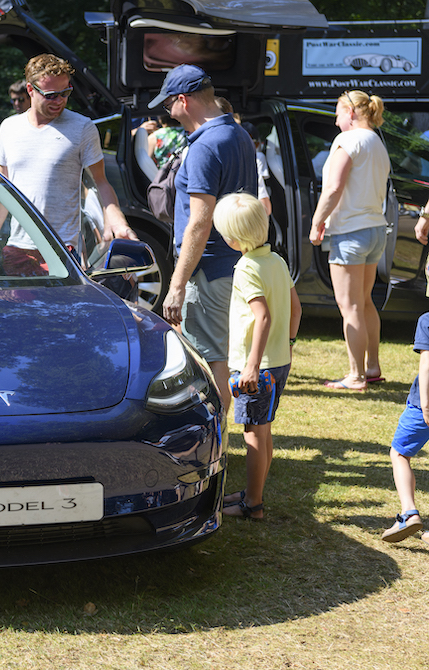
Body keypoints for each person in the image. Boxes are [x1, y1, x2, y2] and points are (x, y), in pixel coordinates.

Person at [153, 64, 258, 411]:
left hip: (208, 269)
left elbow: (199, 223)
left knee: (212, 362)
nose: (167, 113)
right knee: (228, 355)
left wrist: (177, 285)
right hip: (234, 263)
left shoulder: (204, 146)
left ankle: (216, 446)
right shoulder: (237, 133)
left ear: (183, 100)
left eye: (167, 105)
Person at [0, 54, 135, 276]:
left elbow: (101, 183)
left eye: (65, 93)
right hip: (18, 247)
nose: (59, 101)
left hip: (62, 247)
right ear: (30, 90)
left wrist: (118, 222)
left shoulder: (82, 128)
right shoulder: (9, 128)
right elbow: (1, 188)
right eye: (51, 95)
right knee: (16, 310)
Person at [213, 193, 302, 519]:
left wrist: (251, 365)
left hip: (257, 367)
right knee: (264, 428)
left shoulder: (247, 268)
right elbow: (296, 308)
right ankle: (255, 492)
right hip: (278, 361)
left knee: (252, 433)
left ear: (234, 239)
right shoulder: (276, 260)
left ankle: (253, 503)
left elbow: (261, 316)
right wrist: (289, 343)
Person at [309, 90, 390, 391]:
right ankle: (372, 367)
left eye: (338, 113)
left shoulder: (347, 141)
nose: (335, 119)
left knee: (350, 306)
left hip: (350, 232)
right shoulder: (376, 142)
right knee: (365, 302)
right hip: (374, 229)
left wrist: (317, 222)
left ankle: (355, 376)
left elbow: (333, 188)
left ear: (351, 113)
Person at [381, 310, 429, 543]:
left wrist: (427, 404)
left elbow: (427, 364)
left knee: (399, 453)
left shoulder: (427, 320)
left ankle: (409, 513)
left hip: (422, 405)